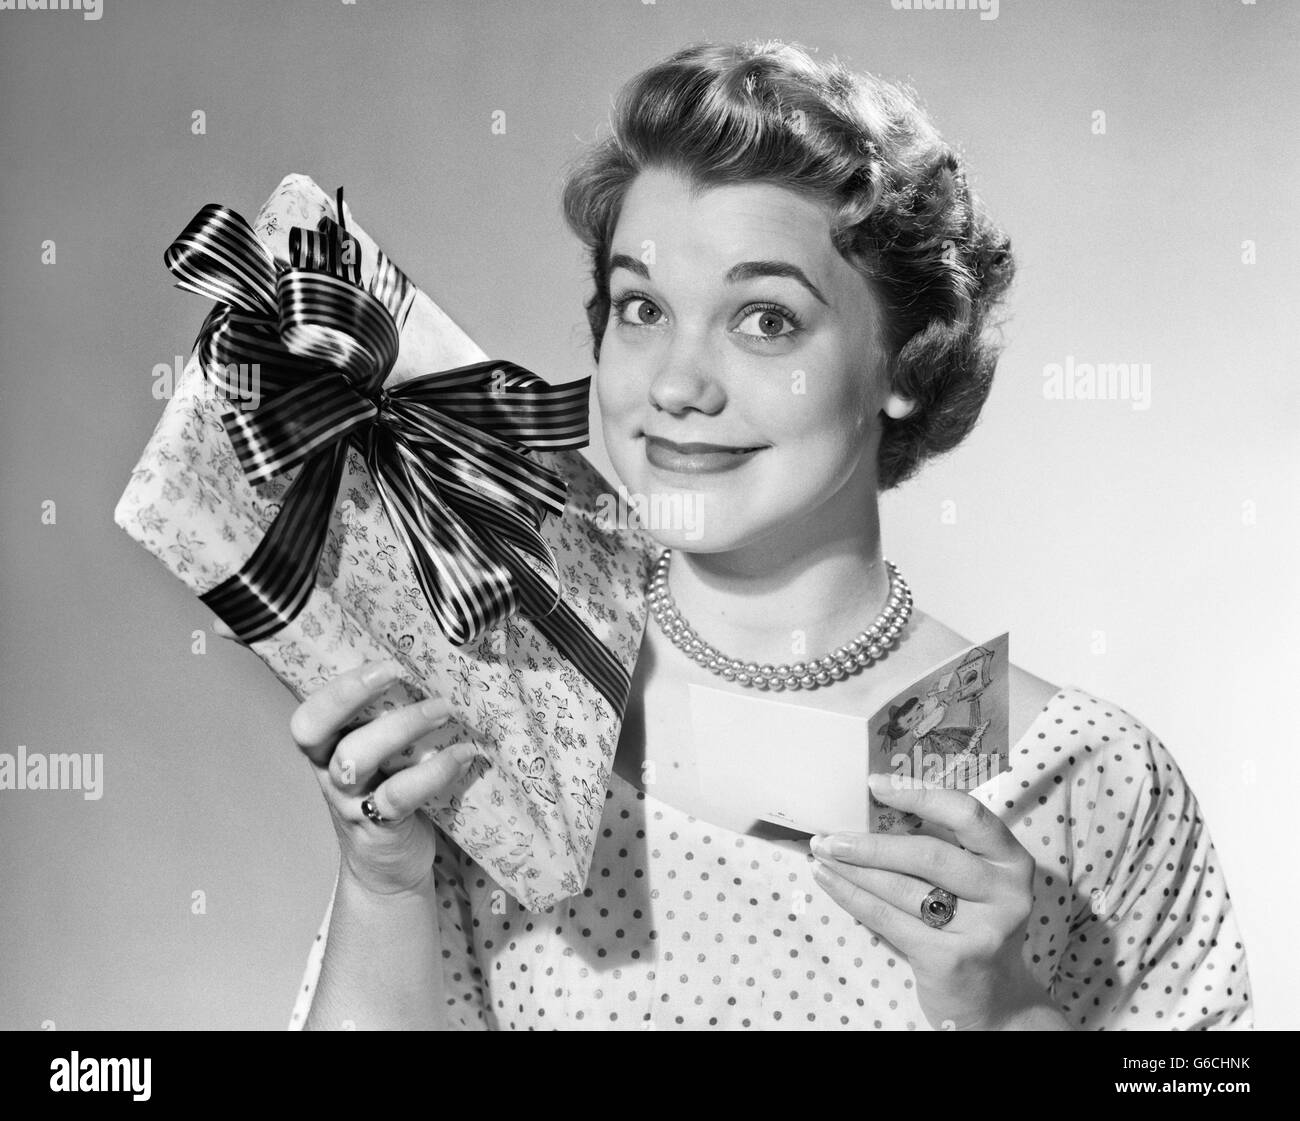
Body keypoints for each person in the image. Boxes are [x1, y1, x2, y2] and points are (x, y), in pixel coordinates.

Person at [278, 40, 1251, 1030]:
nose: (675, 384)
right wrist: (383, 887)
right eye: (641, 306)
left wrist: (1005, 1015)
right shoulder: (504, 711)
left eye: (766, 320)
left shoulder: (1084, 773)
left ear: (903, 363)